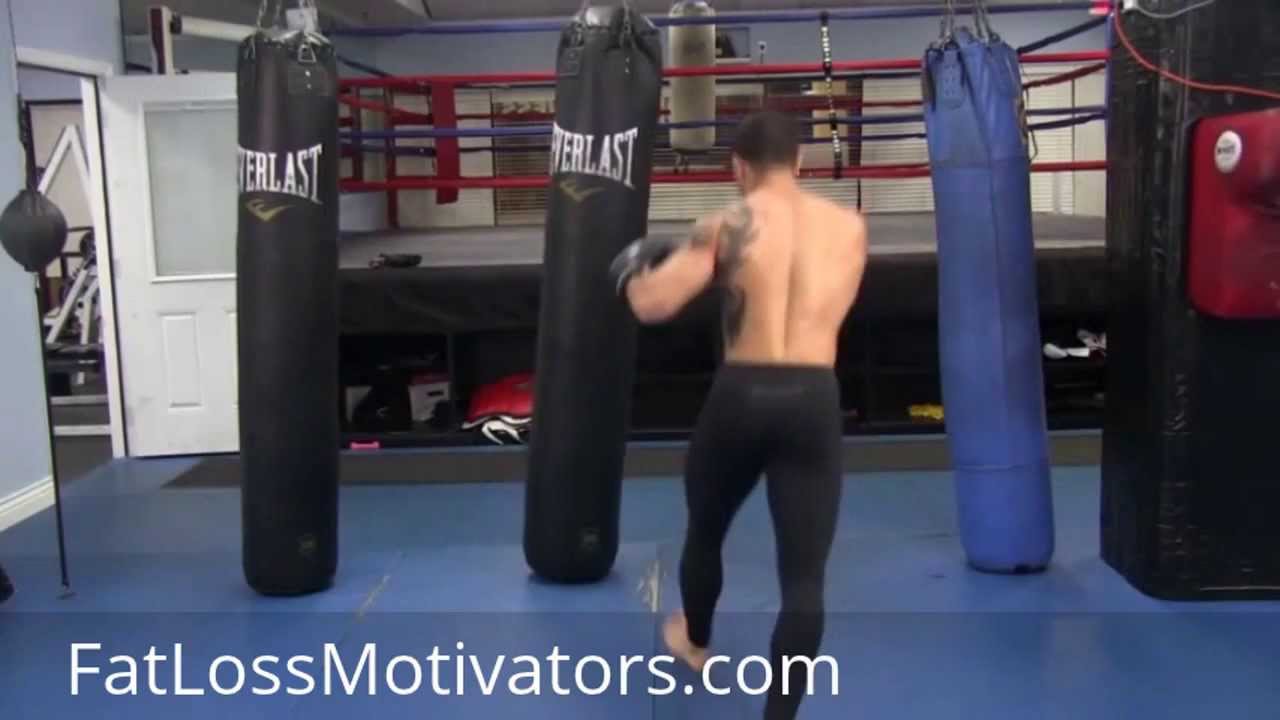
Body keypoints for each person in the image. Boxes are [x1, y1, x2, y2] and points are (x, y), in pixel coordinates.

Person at [610, 111, 868, 720]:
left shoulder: (724, 224)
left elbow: (653, 304)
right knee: (804, 578)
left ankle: (695, 641)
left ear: (738, 168)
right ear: (799, 162)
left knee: (706, 529)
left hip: (742, 394)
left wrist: (629, 270)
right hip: (813, 397)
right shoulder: (850, 228)